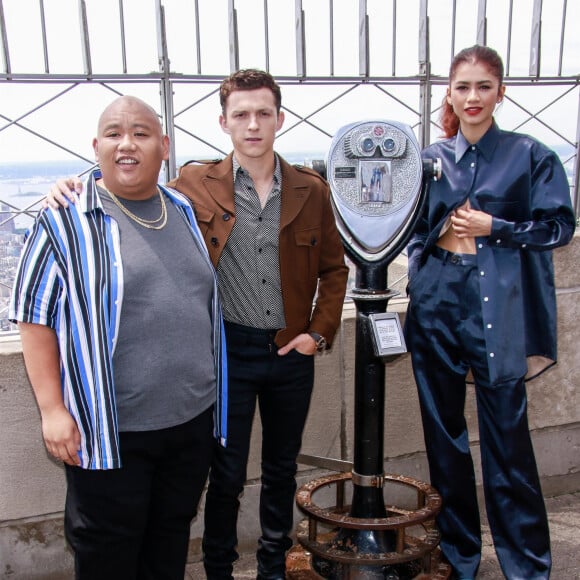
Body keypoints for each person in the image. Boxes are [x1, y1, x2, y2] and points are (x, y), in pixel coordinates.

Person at [46, 69, 349, 580]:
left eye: (263, 114)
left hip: (288, 354)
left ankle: (272, 568)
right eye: (241, 115)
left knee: (280, 470)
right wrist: (75, 182)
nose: (253, 125)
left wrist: (316, 334)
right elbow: (129, 174)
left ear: (280, 119)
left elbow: (335, 270)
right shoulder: (192, 183)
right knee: (225, 475)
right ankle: (219, 571)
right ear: (223, 122)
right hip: (225, 357)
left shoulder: (310, 189)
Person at [11, 96, 227, 580]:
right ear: (96, 146)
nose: (127, 144)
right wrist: (52, 411)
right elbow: (33, 316)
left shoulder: (183, 209)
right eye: (114, 133)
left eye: (141, 133)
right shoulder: (65, 218)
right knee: (108, 552)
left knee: (169, 543)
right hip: (109, 433)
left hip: (190, 425)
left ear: (164, 147)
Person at [404, 45, 576, 580]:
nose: (473, 97)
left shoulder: (530, 155)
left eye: (483, 86)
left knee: (508, 443)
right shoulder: (429, 160)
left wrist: (493, 227)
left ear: (500, 91)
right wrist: (428, 251)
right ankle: (459, 557)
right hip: (435, 309)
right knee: (444, 441)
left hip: (497, 312)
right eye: (463, 87)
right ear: (449, 94)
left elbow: (558, 228)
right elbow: (407, 233)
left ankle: (526, 564)